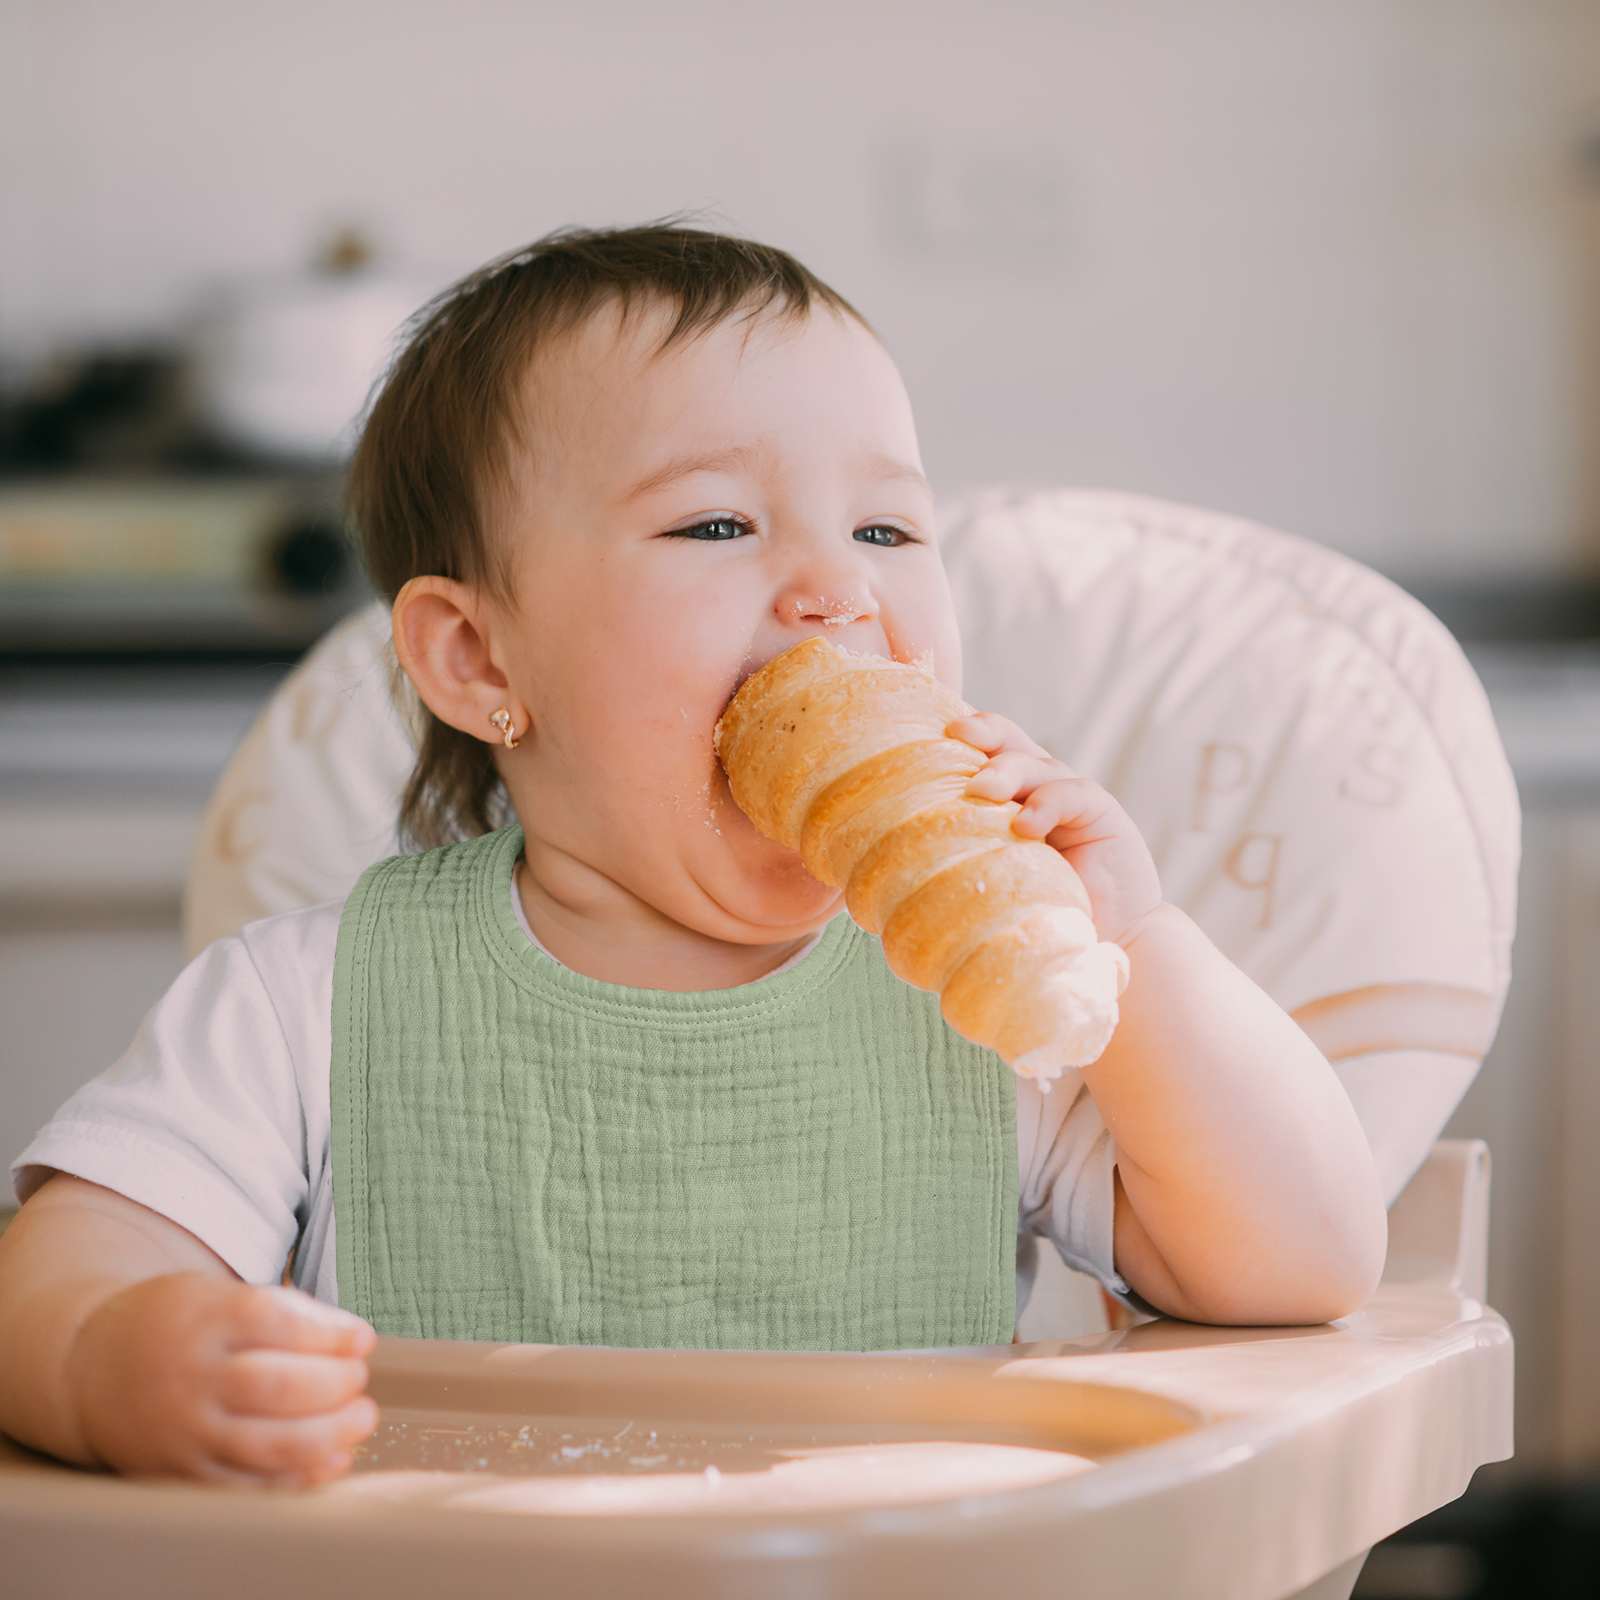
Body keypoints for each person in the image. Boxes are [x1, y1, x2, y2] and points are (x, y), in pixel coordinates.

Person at [0, 226, 1387, 1488]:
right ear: (481, 657)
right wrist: (125, 1363)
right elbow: (56, 1280)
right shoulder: (299, 1007)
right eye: (717, 524)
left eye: (889, 528)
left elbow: (1300, 1266)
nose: (837, 587)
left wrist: (1133, 951)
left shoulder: (981, 1013)